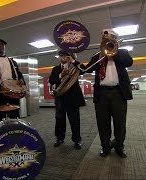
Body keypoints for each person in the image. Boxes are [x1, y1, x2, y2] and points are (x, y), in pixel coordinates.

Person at [74, 29, 133, 157]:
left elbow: (129, 62)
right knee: (103, 122)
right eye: (104, 38)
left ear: (115, 39)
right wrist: (74, 61)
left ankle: (119, 147)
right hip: (102, 94)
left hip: (119, 93)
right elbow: (86, 70)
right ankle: (105, 147)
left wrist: (113, 52)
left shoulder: (122, 52)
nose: (105, 40)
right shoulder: (97, 56)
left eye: (109, 38)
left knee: (120, 123)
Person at [49, 50, 85, 150]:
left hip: (73, 98)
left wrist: (73, 61)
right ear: (59, 57)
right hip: (60, 97)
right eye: (61, 55)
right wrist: (61, 75)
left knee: (75, 120)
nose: (63, 57)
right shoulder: (55, 69)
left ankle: (77, 140)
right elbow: (51, 80)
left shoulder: (75, 66)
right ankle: (60, 138)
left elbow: (84, 70)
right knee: (59, 119)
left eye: (66, 55)